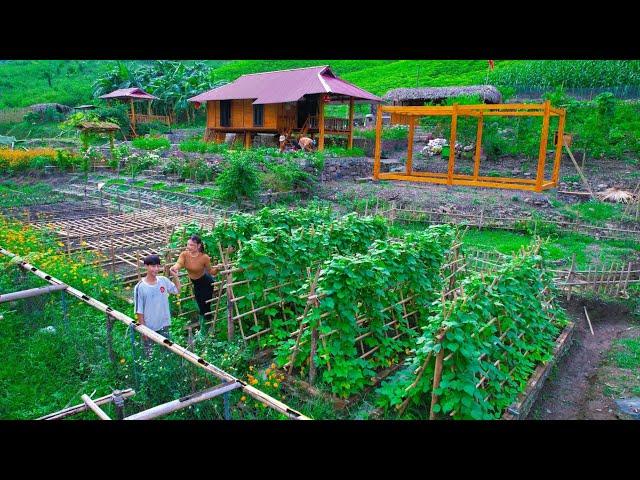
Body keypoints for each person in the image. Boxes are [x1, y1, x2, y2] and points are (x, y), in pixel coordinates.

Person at [170, 235, 223, 340]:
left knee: (205, 304)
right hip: (196, 283)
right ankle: (205, 326)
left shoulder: (204, 257)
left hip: (206, 282)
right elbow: (179, 263)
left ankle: (206, 329)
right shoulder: (184, 255)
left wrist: (218, 269)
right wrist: (175, 268)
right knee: (200, 304)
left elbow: (211, 272)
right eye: (188, 244)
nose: (189, 246)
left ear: (198, 246)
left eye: (192, 245)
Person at [133, 254, 181, 356]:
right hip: (150, 328)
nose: (156, 269)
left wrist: (175, 276)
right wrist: (143, 331)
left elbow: (177, 290)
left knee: (166, 354)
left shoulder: (163, 280)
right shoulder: (140, 287)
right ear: (146, 266)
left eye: (158, 266)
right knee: (150, 357)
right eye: (153, 266)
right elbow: (139, 311)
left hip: (164, 325)